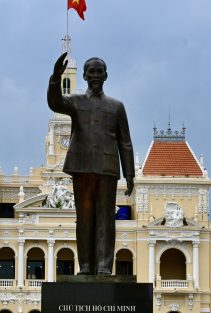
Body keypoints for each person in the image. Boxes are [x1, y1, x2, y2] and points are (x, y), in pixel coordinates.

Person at [47, 52, 135, 275]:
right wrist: (56, 78)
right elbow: (55, 102)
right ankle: (85, 266)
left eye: (99, 71)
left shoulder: (117, 107)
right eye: (92, 72)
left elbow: (125, 142)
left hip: (107, 168)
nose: (96, 75)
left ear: (106, 75)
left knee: (106, 218)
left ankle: (105, 266)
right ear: (85, 76)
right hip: (82, 166)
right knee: (84, 218)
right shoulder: (75, 102)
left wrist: (130, 174)